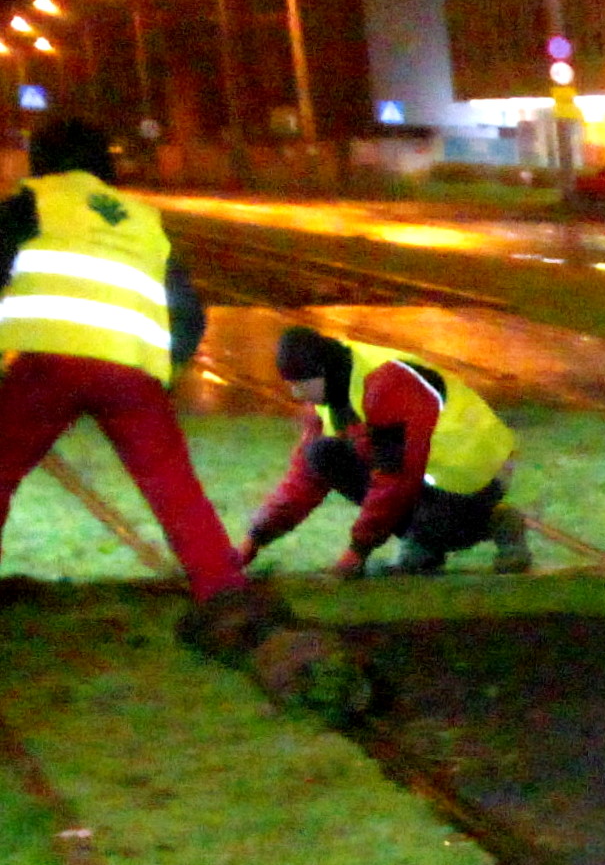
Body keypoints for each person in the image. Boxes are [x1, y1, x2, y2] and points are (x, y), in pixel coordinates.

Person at [0, 118, 249, 617]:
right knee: (173, 485)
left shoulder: (26, 206)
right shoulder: (142, 218)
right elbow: (187, 314)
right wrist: (164, 370)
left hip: (44, 364)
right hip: (131, 372)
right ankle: (224, 592)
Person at [245, 328, 533, 577]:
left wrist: (358, 550)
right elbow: (304, 479)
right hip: (431, 471)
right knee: (322, 455)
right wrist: (254, 540)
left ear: (320, 372)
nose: (296, 395)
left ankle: (495, 522)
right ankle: (424, 541)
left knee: (431, 524)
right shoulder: (330, 396)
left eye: (299, 385)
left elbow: (398, 476)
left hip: (477, 469)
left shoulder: (385, 384)